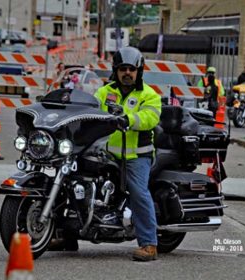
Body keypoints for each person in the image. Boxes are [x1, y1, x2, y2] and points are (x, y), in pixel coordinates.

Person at [94, 46, 162, 261]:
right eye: (123, 68)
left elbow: (150, 118)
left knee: (139, 193)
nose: (127, 73)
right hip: (106, 153)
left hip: (136, 157)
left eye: (131, 69)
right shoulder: (105, 92)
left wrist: (129, 120)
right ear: (115, 70)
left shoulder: (149, 95)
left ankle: (149, 244)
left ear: (139, 71)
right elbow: (90, 108)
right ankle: (65, 234)